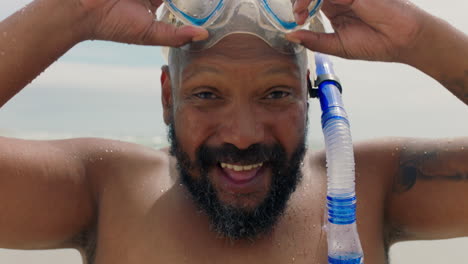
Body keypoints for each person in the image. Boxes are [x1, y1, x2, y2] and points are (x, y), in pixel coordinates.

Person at [0, 0, 466, 263]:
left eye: (276, 94)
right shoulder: (106, 191)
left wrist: (419, 40)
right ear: (168, 97)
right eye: (206, 95)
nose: (243, 135)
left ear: (309, 93)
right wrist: (74, 12)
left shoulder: (371, 187)